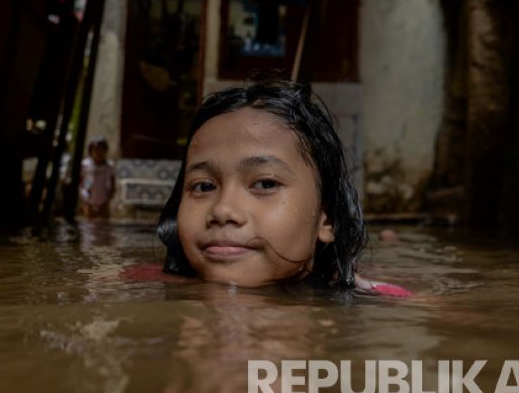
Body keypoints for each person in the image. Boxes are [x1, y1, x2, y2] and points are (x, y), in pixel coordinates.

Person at [156, 77, 410, 296]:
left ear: (327, 218)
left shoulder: (380, 301)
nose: (223, 210)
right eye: (203, 186)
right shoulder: (154, 285)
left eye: (265, 183)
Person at [80, 136, 115, 219]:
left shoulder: (109, 166)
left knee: (105, 223)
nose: (99, 152)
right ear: (91, 151)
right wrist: (85, 197)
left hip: (104, 201)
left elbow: (112, 183)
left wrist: (108, 198)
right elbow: (81, 182)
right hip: (89, 200)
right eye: (96, 149)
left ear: (105, 151)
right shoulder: (85, 164)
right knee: (89, 222)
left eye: (101, 149)